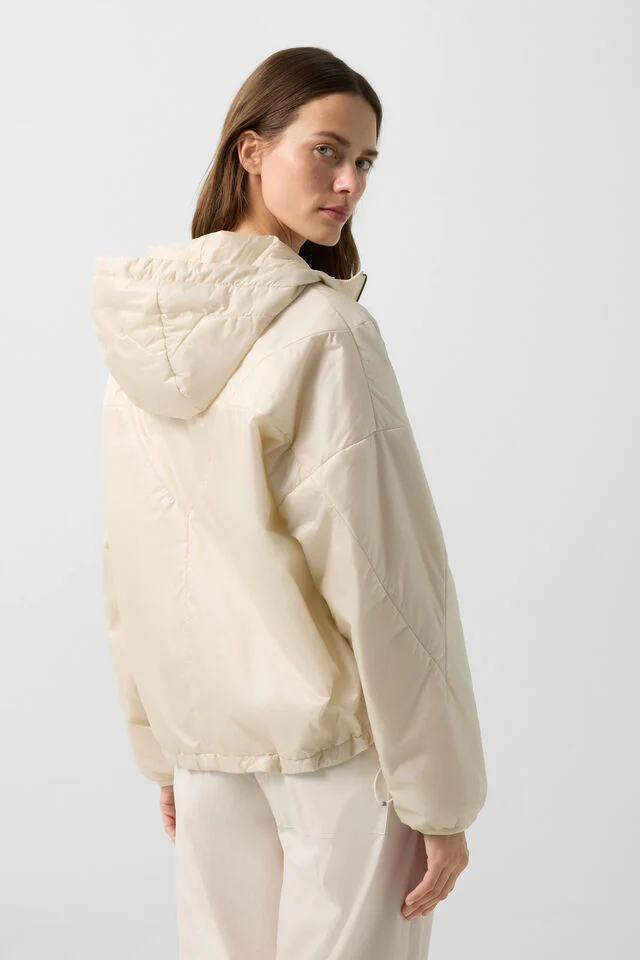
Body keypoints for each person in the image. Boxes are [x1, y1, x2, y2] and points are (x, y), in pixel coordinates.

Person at [90, 45, 488, 960]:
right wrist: (441, 794)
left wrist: (163, 749)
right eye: (327, 151)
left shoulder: (141, 336)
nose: (350, 184)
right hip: (336, 762)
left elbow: (132, 565)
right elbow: (384, 579)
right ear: (252, 150)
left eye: (366, 163)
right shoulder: (327, 332)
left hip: (209, 753)